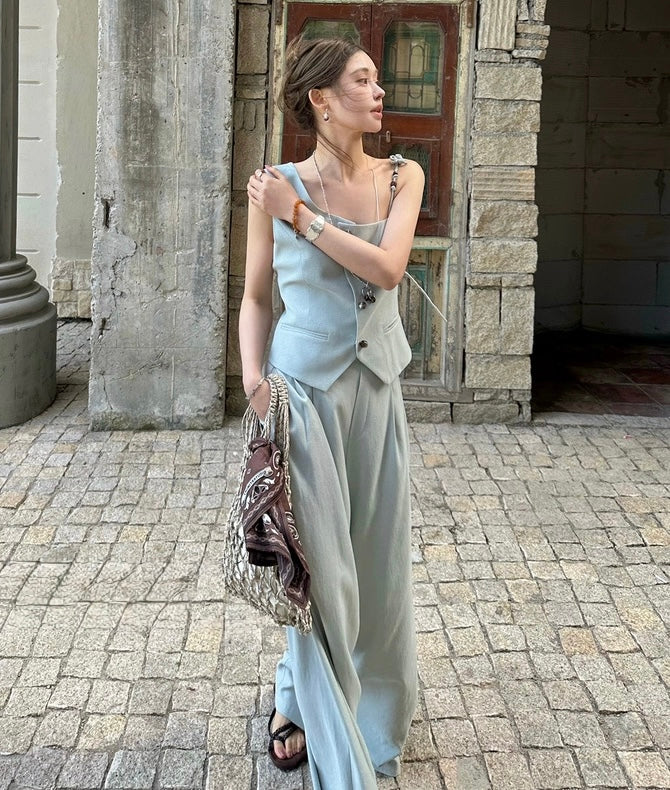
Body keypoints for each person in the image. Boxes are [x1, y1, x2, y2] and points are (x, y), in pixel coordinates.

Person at [239, 34, 423, 789]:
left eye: (376, 81)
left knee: (377, 569)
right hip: (303, 395)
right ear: (321, 98)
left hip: (377, 392)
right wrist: (254, 381)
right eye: (362, 80)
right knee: (322, 575)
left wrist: (304, 218)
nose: (379, 93)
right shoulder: (272, 187)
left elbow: (388, 268)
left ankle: (335, 706)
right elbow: (256, 296)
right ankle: (335, 750)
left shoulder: (403, 175)